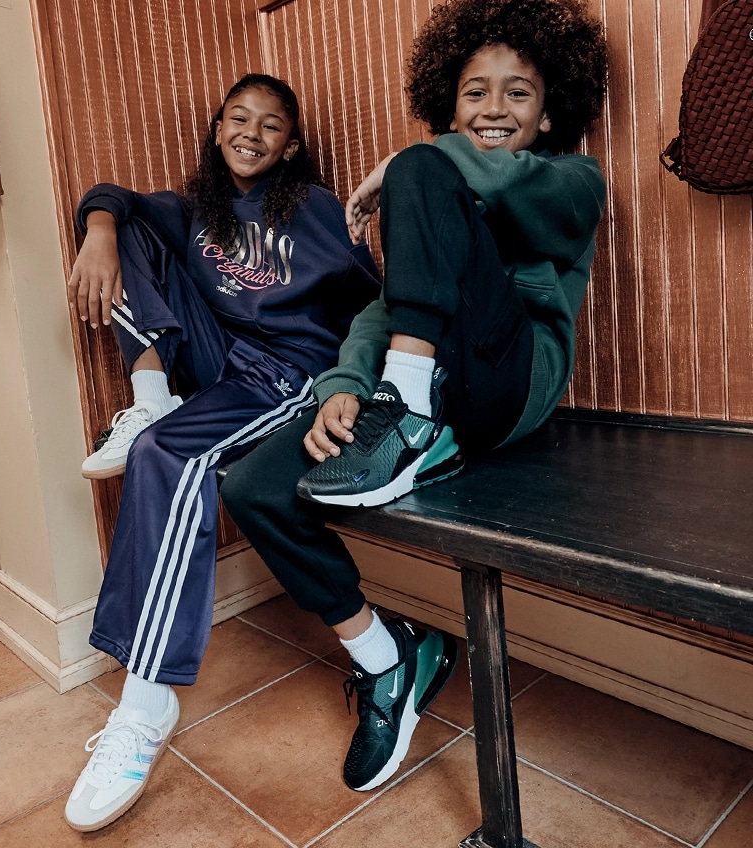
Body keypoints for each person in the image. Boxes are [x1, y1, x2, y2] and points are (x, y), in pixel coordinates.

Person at [220, 0, 609, 794]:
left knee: (420, 166)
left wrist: (412, 168)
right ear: (449, 98)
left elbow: (469, 174)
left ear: (548, 113)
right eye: (474, 92)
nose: (493, 109)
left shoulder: (571, 181)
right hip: (414, 389)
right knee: (253, 486)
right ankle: (389, 658)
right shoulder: (436, 184)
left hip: (506, 388)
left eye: (517, 94)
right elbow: (382, 309)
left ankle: (409, 419)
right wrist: (344, 388)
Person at [64, 74, 382, 831]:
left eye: (270, 125)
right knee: (135, 219)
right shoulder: (199, 208)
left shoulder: (313, 209)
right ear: (215, 130)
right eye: (237, 118)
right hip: (219, 359)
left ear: (291, 146)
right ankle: (149, 404)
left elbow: (374, 294)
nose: (251, 132)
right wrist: (100, 228)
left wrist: (352, 380)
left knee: (166, 463)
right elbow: (113, 193)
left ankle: (142, 710)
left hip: (284, 372)